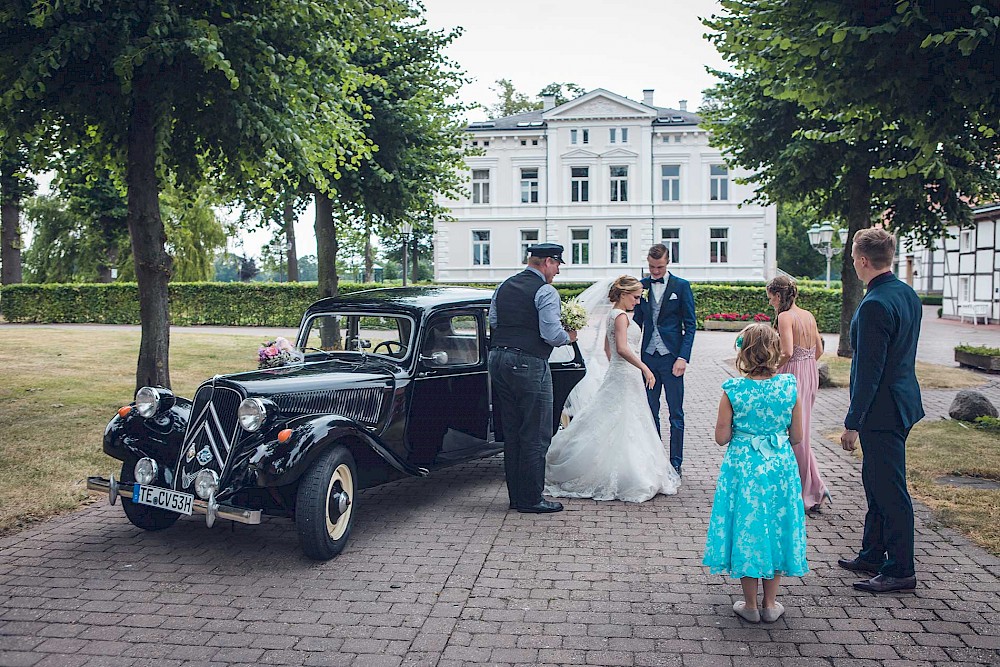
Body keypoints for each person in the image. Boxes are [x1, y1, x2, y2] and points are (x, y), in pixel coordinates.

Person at [703, 323, 808, 623]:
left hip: (744, 469)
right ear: (775, 351)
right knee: (776, 527)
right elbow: (797, 437)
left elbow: (721, 437)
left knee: (749, 528)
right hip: (779, 469)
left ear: (743, 352)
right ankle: (770, 604)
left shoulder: (734, 389)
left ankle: (749, 606)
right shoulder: (789, 387)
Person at [838, 228, 923, 594]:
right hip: (901, 401)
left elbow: (869, 371)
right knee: (875, 482)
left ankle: (900, 568)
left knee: (890, 490)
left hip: (882, 411)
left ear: (861, 260)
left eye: (853, 259)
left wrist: (852, 423)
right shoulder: (906, 293)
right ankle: (872, 552)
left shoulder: (874, 304)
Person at [544, 276, 681, 502]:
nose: (638, 302)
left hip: (621, 372)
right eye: (635, 297)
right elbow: (622, 348)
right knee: (626, 421)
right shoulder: (620, 316)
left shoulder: (614, 315)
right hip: (627, 372)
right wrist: (644, 368)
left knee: (620, 420)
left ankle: (628, 468)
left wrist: (616, 367)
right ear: (624, 294)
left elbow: (608, 349)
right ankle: (629, 474)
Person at [489, 243, 578, 514]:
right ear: (548, 262)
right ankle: (531, 499)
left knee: (513, 431)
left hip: (498, 359)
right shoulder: (545, 291)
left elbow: (494, 320)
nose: (559, 271)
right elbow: (551, 334)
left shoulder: (504, 286)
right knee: (536, 434)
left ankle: (517, 496)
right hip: (528, 362)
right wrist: (570, 337)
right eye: (558, 264)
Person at [766, 276, 832, 512]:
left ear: (778, 295)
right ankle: (814, 486)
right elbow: (820, 349)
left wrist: (772, 369)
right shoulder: (808, 315)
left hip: (791, 373)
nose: (770, 303)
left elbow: (786, 351)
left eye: (770, 298)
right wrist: (806, 366)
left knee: (796, 435)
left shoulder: (785, 317)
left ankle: (809, 491)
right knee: (801, 431)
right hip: (809, 373)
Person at [634, 244, 696, 477]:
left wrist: (683, 357)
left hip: (672, 359)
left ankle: (676, 463)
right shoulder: (642, 286)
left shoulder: (681, 287)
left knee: (676, 413)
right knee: (650, 411)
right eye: (651, 267)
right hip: (648, 359)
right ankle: (655, 461)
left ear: (668, 262)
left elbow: (690, 325)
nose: (655, 272)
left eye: (659, 267)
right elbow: (637, 322)